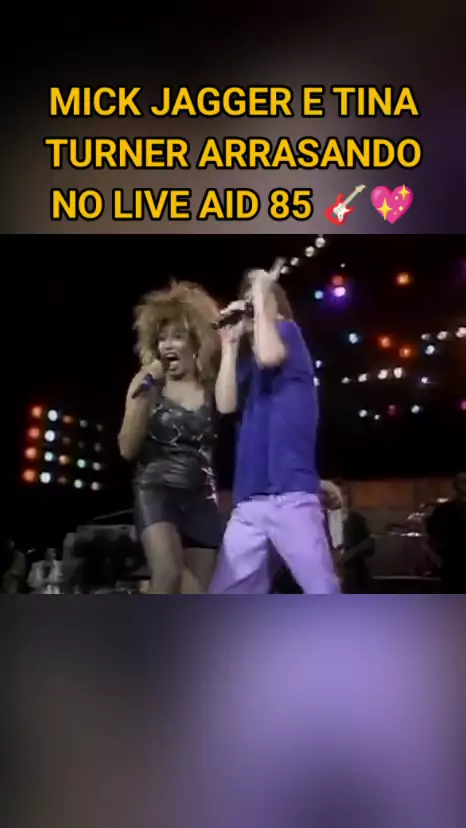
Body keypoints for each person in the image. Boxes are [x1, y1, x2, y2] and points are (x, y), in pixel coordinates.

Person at [209, 261, 340, 594]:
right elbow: (225, 404)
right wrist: (229, 345)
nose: (249, 306)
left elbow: (269, 355)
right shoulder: (248, 365)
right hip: (249, 498)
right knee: (227, 594)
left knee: (321, 590)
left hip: (291, 494)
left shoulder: (288, 334)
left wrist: (261, 291)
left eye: (255, 299)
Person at [118, 281, 223, 594]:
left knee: (198, 595)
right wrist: (145, 394)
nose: (167, 345)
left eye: (177, 336)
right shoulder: (146, 383)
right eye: (161, 338)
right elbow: (126, 449)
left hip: (201, 495)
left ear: (196, 341)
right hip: (157, 489)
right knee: (168, 573)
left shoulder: (213, 385)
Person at [330, 482, 375, 593]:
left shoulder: (357, 520)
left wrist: (349, 554)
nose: (340, 498)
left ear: (350, 497)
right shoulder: (319, 519)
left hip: (354, 578)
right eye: (335, 494)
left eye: (344, 494)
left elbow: (370, 547)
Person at [425, 473, 466, 593]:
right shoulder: (443, 511)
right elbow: (432, 539)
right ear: (456, 486)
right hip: (452, 567)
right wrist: (435, 560)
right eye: (463, 483)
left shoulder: (443, 510)